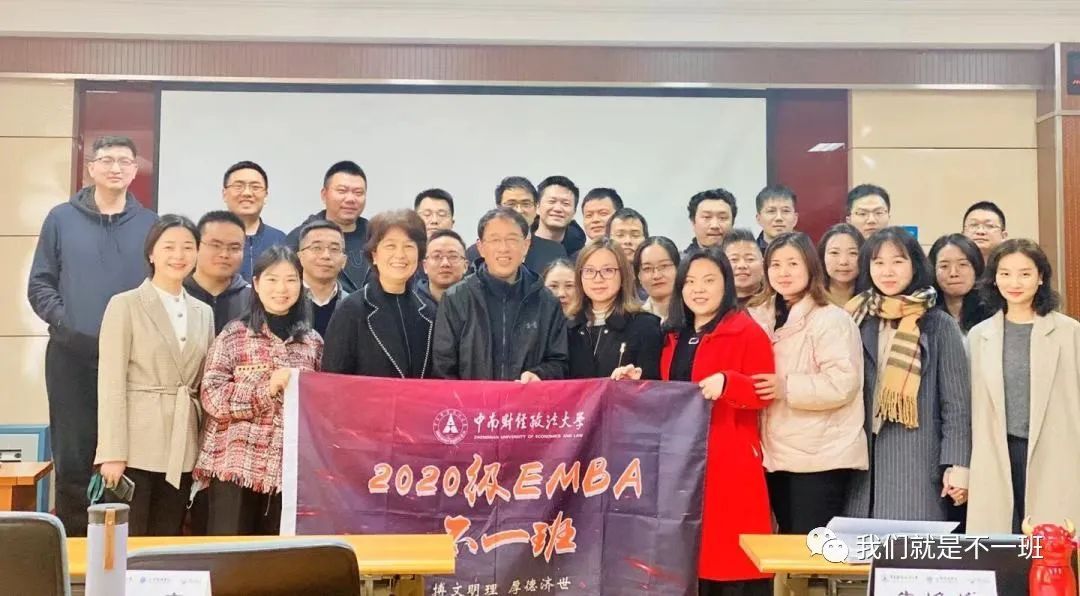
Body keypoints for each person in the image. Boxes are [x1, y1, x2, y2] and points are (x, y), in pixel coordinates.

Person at [27, 135, 157, 536]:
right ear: (91, 168)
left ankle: (122, 553)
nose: (115, 168)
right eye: (107, 160)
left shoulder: (151, 224)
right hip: (72, 357)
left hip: (133, 362)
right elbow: (40, 284)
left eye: (124, 161)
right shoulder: (60, 218)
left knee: (125, 460)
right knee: (74, 458)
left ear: (135, 170)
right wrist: (68, 323)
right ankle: (76, 552)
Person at [659, 247, 774, 596]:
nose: (699, 289)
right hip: (682, 462)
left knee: (731, 559)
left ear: (726, 284)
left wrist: (729, 383)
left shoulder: (747, 331)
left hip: (730, 459)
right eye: (690, 281)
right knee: (688, 560)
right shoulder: (672, 336)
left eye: (709, 280)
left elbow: (764, 392)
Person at [95, 215, 214, 536]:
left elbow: (205, 383)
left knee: (167, 539)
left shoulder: (204, 312)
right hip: (136, 445)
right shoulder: (125, 304)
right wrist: (112, 452)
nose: (179, 255)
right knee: (127, 540)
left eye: (188, 247)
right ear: (151, 253)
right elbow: (110, 383)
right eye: (169, 247)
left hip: (184, 443)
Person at [844, 227, 971, 521]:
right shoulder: (855, 318)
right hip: (860, 467)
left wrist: (958, 464)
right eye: (878, 262)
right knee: (861, 547)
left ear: (914, 265)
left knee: (912, 547)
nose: (887, 271)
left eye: (898, 261)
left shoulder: (939, 324)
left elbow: (956, 405)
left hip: (917, 460)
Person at [197, 246, 323, 535]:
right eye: (272, 279)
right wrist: (266, 389)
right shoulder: (233, 334)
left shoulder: (312, 342)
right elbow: (212, 396)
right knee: (231, 554)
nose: (282, 288)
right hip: (234, 468)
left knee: (277, 557)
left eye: (290, 280)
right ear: (255, 283)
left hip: (288, 471)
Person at [747, 232, 866, 534]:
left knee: (811, 546)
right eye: (775, 264)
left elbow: (843, 383)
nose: (783, 272)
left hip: (820, 455)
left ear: (811, 267)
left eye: (793, 263)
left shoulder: (831, 319)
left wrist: (786, 387)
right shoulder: (759, 317)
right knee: (787, 541)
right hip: (776, 453)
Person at [966, 239, 1080, 534]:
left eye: (1025, 274)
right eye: (1005, 274)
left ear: (1041, 277)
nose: (1014, 283)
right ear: (994, 279)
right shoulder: (978, 336)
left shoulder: (1069, 333)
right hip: (998, 450)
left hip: (1055, 450)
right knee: (1000, 540)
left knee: (1053, 543)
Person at [434, 208, 569, 381]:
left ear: (526, 245)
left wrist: (539, 374)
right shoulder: (456, 298)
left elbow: (559, 362)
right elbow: (443, 367)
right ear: (481, 247)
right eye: (495, 240)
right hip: (472, 399)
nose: (503, 248)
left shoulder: (546, 301)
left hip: (526, 398)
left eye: (512, 239)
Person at [323, 210, 436, 378]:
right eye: (390, 246)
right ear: (374, 255)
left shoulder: (429, 311)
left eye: (409, 246)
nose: (400, 255)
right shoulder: (351, 310)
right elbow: (333, 379)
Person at [566, 238, 661, 380]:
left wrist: (633, 381)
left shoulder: (645, 326)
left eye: (608, 270)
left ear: (623, 275)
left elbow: (655, 385)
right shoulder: (567, 328)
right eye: (589, 271)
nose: (598, 279)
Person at [286, 161, 370, 293]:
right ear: (324, 195)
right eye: (342, 191)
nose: (350, 199)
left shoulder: (376, 236)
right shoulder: (300, 238)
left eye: (358, 193)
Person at [465, 177, 567, 274]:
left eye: (526, 204)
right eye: (511, 204)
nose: (519, 210)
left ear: (536, 207)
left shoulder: (554, 251)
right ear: (498, 207)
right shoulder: (476, 253)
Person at [185, 211, 251, 335]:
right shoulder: (176, 293)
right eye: (215, 245)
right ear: (196, 245)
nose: (224, 254)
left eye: (234, 248)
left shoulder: (254, 299)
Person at [221, 161, 286, 281]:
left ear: (265, 195)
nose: (247, 193)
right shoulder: (209, 239)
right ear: (224, 194)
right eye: (238, 186)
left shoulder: (280, 240)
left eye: (255, 187)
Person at [928, 234, 992, 334]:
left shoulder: (993, 313)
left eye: (962, 264)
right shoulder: (923, 315)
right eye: (944, 266)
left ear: (976, 268)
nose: (953, 273)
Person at [296, 220, 349, 337]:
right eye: (316, 248)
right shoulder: (285, 300)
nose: (326, 255)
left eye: (334, 249)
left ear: (344, 261)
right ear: (300, 257)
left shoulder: (354, 305)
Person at [635, 236, 680, 324]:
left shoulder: (695, 313)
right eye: (647, 268)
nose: (656, 276)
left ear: (678, 268)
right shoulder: (635, 321)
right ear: (639, 276)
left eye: (664, 266)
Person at [818, 223, 864, 307]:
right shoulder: (812, 299)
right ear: (822, 256)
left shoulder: (873, 301)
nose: (843, 262)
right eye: (834, 252)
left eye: (853, 253)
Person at [419, 229, 469, 303]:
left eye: (453, 256)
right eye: (437, 256)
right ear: (425, 266)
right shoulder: (411, 302)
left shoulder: (478, 300)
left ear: (465, 266)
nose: (445, 263)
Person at [685, 188, 737, 257]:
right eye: (707, 217)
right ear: (693, 222)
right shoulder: (680, 262)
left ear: (732, 222)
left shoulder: (744, 262)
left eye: (722, 218)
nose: (714, 225)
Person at [722, 229, 765, 308]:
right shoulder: (714, 303)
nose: (742, 265)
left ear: (763, 264)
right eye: (734, 259)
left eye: (750, 259)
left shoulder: (776, 302)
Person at [754, 184, 798, 253]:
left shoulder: (807, 255)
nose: (779, 218)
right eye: (771, 211)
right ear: (759, 219)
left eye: (785, 211)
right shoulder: (751, 254)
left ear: (795, 219)